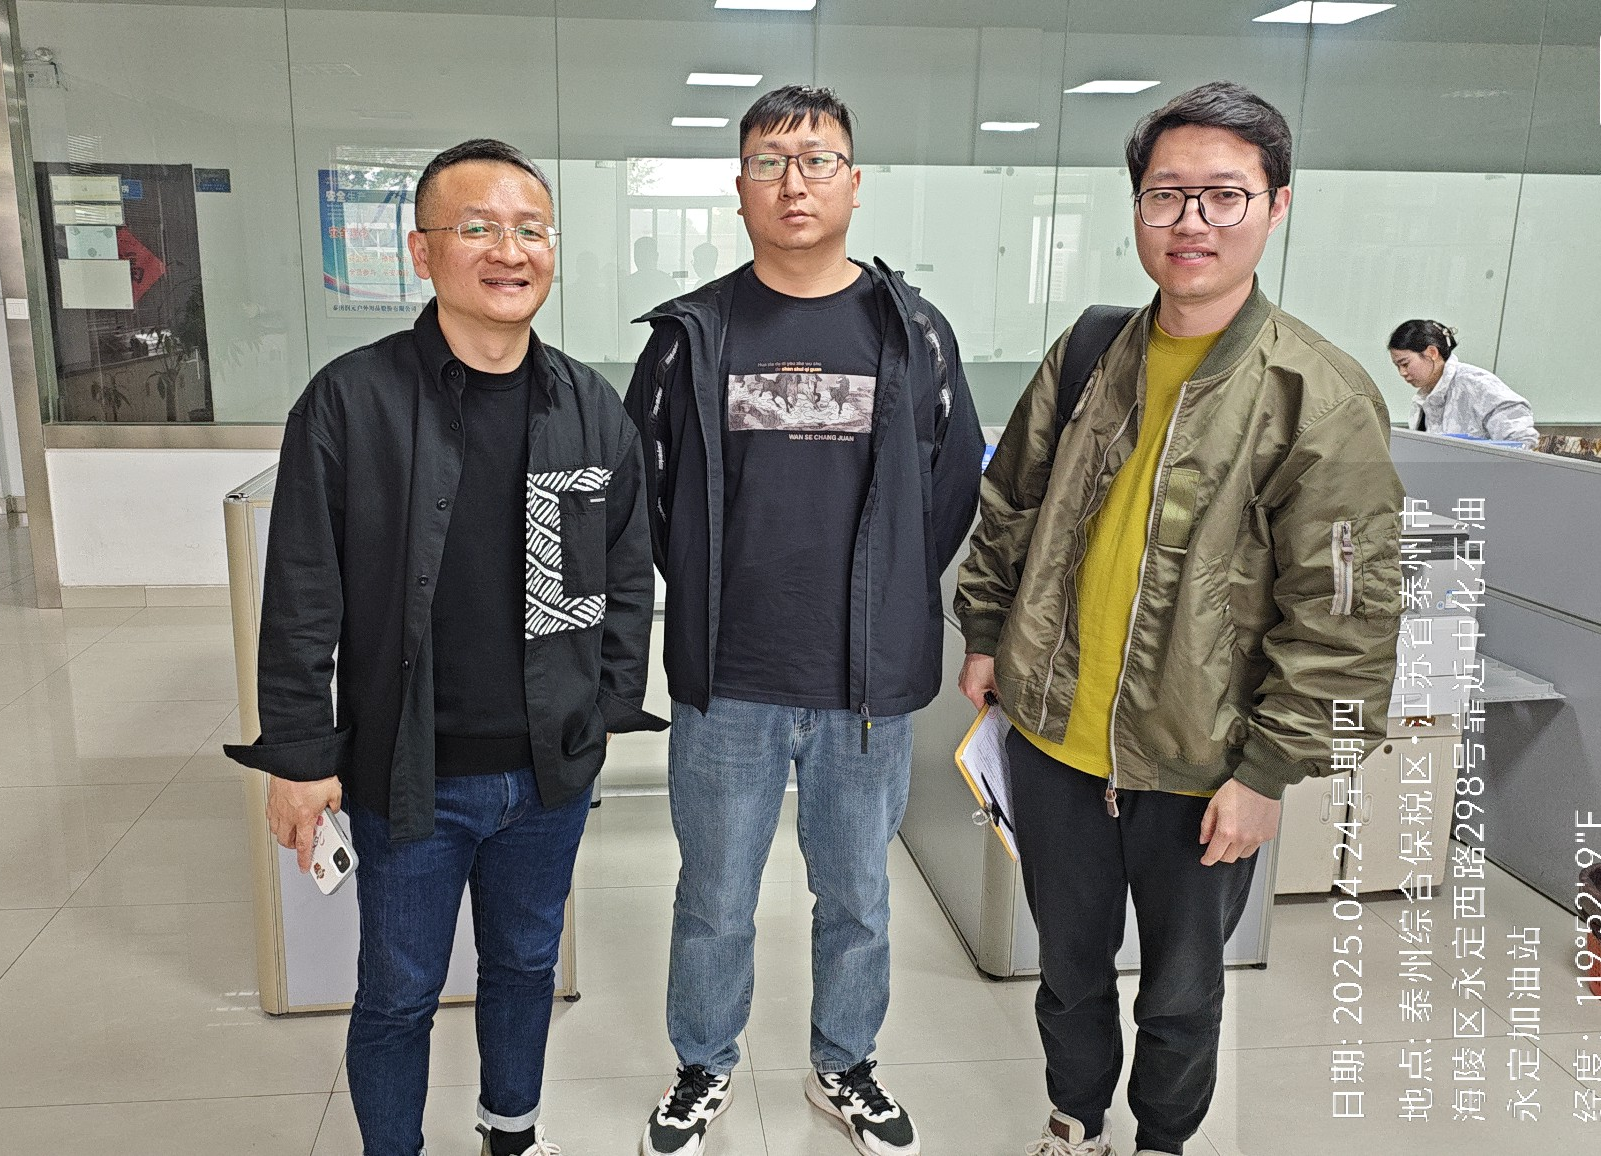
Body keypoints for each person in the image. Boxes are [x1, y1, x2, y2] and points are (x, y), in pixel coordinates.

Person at [955, 82, 1404, 1156]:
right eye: (1166, 195)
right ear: (1138, 208)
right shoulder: (1090, 353)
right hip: (1055, 739)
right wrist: (984, 632)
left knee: (1183, 989)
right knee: (1068, 970)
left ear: (1277, 206)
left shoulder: (1317, 395)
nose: (1191, 221)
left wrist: (1269, 771)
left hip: (1204, 763)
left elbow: (1345, 613)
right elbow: (1012, 501)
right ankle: (1076, 1121)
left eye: (1224, 195)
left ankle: (1162, 1139)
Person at [226, 138, 665, 1156]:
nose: (510, 250)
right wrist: (299, 756)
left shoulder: (587, 406)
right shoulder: (352, 402)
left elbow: (623, 576)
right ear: (422, 253)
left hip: (546, 773)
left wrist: (602, 710)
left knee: (525, 966)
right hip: (407, 774)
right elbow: (301, 597)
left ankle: (513, 1132)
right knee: (398, 992)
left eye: (530, 229)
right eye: (477, 228)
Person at [625, 85, 984, 1156]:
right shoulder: (691, 335)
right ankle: (703, 1062)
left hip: (863, 682)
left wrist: (888, 597)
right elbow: (651, 498)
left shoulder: (913, 333)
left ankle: (846, 1063)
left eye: (818, 159)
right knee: (715, 896)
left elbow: (947, 491)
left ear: (854, 183)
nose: (795, 181)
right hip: (727, 676)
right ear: (739, 187)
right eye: (770, 161)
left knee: (859, 896)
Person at [1387, 318, 1538, 447]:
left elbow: (1521, 443)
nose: (1402, 372)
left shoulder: (1478, 384)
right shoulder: (1423, 399)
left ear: (1432, 352)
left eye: (1405, 364)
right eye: (1397, 366)